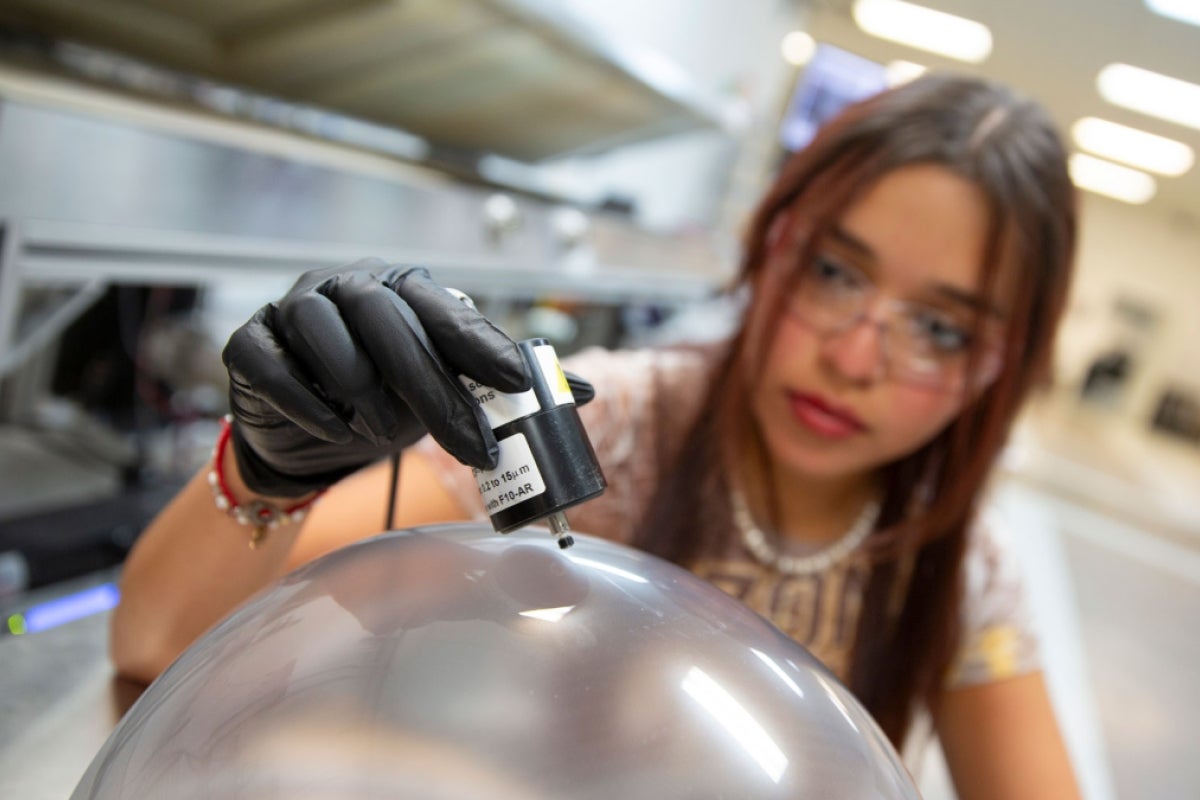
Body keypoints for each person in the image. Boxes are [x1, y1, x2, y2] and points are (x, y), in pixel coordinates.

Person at [111, 74, 1081, 798]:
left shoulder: (955, 569)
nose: (858, 354)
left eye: (941, 328)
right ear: (772, 244)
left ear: (1005, 365)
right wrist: (269, 466)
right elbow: (157, 641)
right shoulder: (604, 425)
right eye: (835, 271)